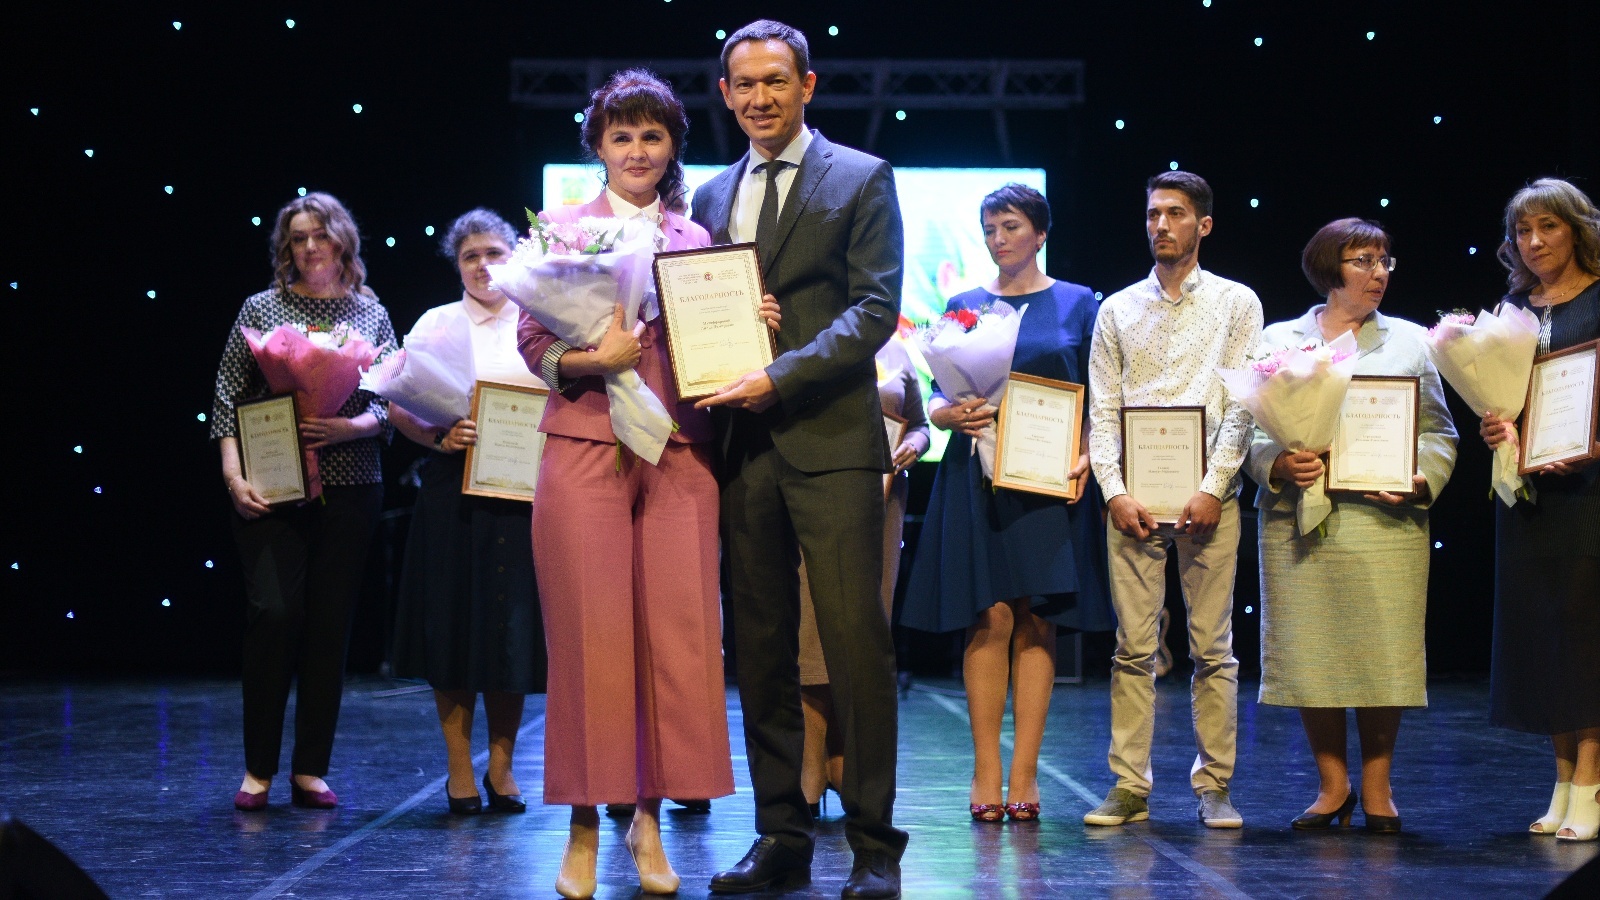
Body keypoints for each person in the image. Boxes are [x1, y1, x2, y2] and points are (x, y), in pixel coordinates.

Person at [690, 20, 908, 899]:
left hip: (832, 442)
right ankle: (780, 834)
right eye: (743, 84)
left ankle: (875, 847)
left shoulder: (860, 176)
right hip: (742, 452)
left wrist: (777, 375)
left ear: (807, 85)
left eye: (775, 81)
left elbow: (875, 310)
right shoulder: (710, 194)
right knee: (762, 650)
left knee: (856, 647)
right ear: (725, 93)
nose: (760, 98)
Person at [517, 69, 743, 899]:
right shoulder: (562, 230)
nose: (638, 151)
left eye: (653, 136)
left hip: (680, 452)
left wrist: (750, 328)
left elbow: (716, 346)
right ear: (599, 147)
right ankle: (584, 825)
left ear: (672, 145)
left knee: (676, 640)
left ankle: (649, 820)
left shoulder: (697, 237)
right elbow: (531, 341)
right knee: (591, 638)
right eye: (622, 136)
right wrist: (589, 359)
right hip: (584, 445)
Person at [902, 184, 1113, 823]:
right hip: (976, 476)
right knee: (988, 616)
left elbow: (1099, 394)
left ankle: (1025, 772)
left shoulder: (1079, 303)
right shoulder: (964, 305)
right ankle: (985, 770)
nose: (999, 239)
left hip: (1048, 475)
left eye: (1012, 226)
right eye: (990, 228)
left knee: (1037, 617)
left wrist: (1089, 453)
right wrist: (945, 412)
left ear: (1040, 232)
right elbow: (937, 396)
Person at [1247, 218, 1457, 833]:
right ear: (1328, 268)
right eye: (1363, 260)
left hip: (1385, 521)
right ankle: (1332, 786)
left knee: (1382, 651)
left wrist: (1421, 479)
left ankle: (1378, 787)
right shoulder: (1279, 340)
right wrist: (1277, 463)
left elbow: (1439, 432)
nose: (1378, 272)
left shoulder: (1411, 342)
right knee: (1312, 651)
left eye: (1384, 260)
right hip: (1299, 519)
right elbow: (1246, 432)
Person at [1083, 171, 1261, 830]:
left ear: (1203, 225)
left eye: (1176, 213)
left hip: (1208, 500)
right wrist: (1115, 491)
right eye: (1154, 213)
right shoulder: (1117, 309)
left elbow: (1243, 403)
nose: (1161, 224)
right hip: (1134, 503)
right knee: (1132, 648)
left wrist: (1214, 486)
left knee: (1213, 649)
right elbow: (1103, 410)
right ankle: (1129, 786)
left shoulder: (1237, 303)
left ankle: (1215, 785)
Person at [210, 192, 396, 811]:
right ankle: (258, 768)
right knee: (275, 614)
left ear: (342, 239)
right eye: (298, 237)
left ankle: (310, 768)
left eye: (320, 234)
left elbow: (391, 401)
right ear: (285, 248)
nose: (311, 246)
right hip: (273, 487)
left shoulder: (370, 313)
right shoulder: (261, 308)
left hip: (352, 486)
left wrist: (348, 428)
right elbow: (226, 399)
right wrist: (234, 478)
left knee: (328, 627)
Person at [387, 208, 547, 816]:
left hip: (523, 491)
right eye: (470, 256)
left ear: (514, 256)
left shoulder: (539, 318)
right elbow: (398, 401)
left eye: (493, 253)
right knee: (452, 629)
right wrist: (437, 437)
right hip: (452, 490)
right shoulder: (437, 323)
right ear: (457, 265)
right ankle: (460, 769)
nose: (482, 266)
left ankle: (501, 769)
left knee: (511, 632)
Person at [1480, 178, 1600, 842]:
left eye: (1548, 227)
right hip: (1529, 495)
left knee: (1585, 633)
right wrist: (1499, 426)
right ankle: (1561, 778)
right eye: (1523, 231)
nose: (1534, 241)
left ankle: (1591, 782)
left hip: (1590, 491)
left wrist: (1591, 446)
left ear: (1577, 229)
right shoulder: (1512, 309)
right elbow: (1504, 397)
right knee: (1545, 635)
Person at [797, 331, 930, 816]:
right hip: (816, 497)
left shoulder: (896, 347)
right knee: (812, 630)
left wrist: (913, 444)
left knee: (862, 628)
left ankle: (843, 756)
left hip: (881, 506)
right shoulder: (810, 332)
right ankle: (812, 759)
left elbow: (919, 425)